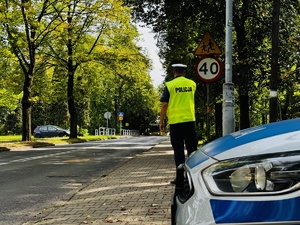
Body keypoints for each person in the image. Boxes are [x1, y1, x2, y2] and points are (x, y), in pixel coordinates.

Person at [159, 63, 198, 184]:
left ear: (174, 72)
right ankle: (194, 178)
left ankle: (180, 178)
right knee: (192, 150)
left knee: (179, 151)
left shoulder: (170, 85)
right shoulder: (192, 84)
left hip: (176, 123)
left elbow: (164, 104)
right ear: (184, 72)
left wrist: (161, 121)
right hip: (190, 121)